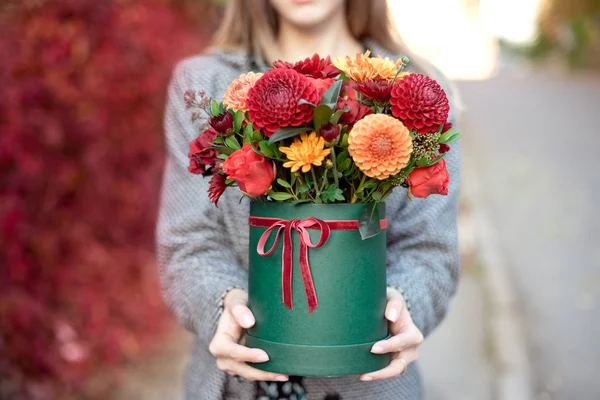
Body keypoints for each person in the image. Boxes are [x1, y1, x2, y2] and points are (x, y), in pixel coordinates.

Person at [157, 0, 461, 399]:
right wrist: (223, 306)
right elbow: (188, 243)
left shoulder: (417, 89)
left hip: (368, 385)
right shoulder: (204, 85)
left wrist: (400, 305)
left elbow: (431, 250)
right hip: (240, 388)